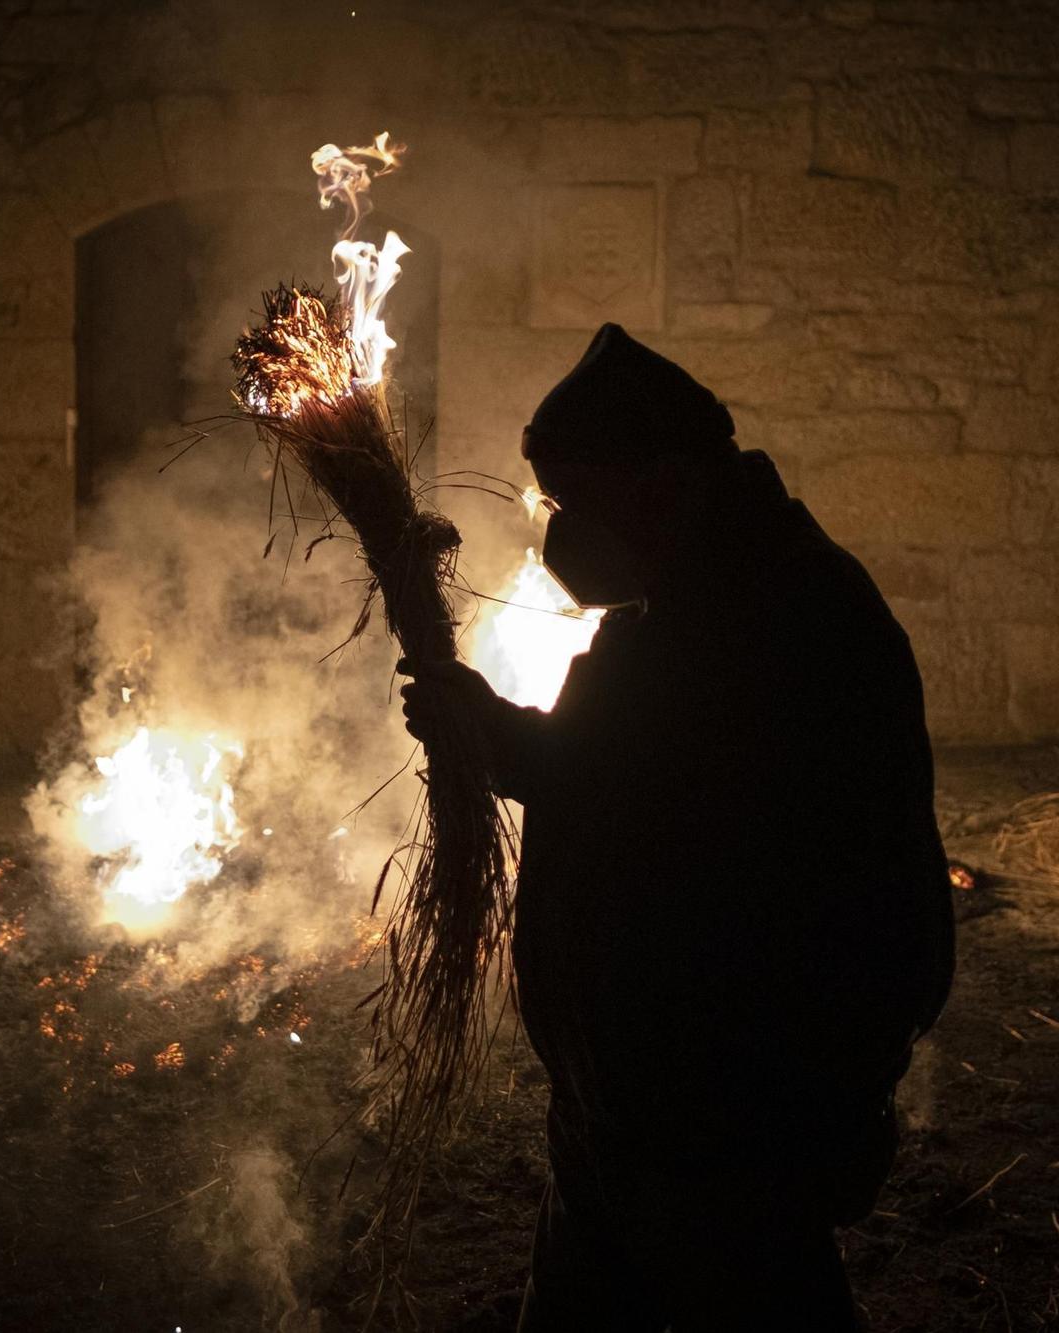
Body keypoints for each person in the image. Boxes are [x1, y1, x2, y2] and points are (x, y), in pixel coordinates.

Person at [399, 325, 954, 1330]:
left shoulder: (795, 620)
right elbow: (614, 778)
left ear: (663, 480)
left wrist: (809, 1100)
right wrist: (495, 736)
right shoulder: (662, 609)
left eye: (573, 501)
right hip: (622, 1109)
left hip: (728, 1116)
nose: (559, 533)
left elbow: (720, 836)